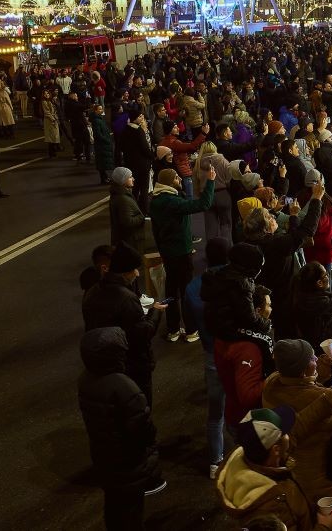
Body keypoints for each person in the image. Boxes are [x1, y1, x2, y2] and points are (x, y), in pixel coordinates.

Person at [262, 339, 332, 505]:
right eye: (312, 358)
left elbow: (299, 383)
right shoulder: (319, 400)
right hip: (322, 479)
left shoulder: (272, 383)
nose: (316, 358)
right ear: (303, 370)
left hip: (296, 472)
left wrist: (322, 366)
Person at [78, 327, 165, 531]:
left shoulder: (86, 379)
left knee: (114, 506)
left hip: (104, 457)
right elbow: (142, 429)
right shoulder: (124, 387)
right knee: (131, 511)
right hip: (128, 463)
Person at [216, 406, 332, 530]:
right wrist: (325, 527)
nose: (289, 435)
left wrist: (327, 402)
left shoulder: (251, 454)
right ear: (276, 449)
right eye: (284, 433)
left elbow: (297, 430)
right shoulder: (274, 506)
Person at [82, 242, 168, 405]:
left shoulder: (92, 292)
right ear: (124, 272)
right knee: (139, 405)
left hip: (102, 363)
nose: (137, 273)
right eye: (134, 269)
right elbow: (143, 333)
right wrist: (156, 312)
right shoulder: (126, 298)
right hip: (132, 365)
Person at [243, 183, 324, 338]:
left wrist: (289, 215)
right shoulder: (275, 244)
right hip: (284, 299)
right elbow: (306, 232)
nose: (273, 217)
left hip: (268, 295)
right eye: (270, 217)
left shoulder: (249, 241)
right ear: (266, 228)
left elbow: (292, 238)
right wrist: (316, 199)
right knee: (287, 333)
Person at [149, 165, 216, 341]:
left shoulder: (155, 201)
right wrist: (210, 182)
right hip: (181, 252)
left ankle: (173, 329)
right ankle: (191, 330)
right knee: (187, 291)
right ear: (170, 182)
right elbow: (203, 204)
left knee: (171, 291)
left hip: (167, 252)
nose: (180, 180)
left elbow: (155, 231)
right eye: (176, 178)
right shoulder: (173, 202)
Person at [183, 237, 232, 479]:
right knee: (244, 405)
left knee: (215, 414)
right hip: (237, 350)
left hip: (212, 353)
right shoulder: (235, 281)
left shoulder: (193, 287)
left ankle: (215, 461)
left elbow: (190, 325)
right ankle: (250, 457)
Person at [214, 284, 275, 428]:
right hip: (250, 421)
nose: (271, 309)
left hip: (233, 410)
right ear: (257, 311)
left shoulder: (227, 333)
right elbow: (248, 396)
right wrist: (276, 376)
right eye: (268, 305)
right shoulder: (249, 348)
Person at [118, 112, 154, 212]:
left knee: (135, 188)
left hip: (130, 163)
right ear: (134, 118)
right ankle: (145, 210)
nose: (142, 118)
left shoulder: (125, 129)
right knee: (144, 189)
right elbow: (145, 148)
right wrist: (152, 155)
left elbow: (120, 146)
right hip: (143, 164)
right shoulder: (138, 130)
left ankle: (133, 209)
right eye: (140, 116)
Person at [109, 167, 146, 253]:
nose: (133, 179)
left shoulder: (120, 195)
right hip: (131, 241)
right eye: (130, 177)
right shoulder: (123, 199)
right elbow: (128, 221)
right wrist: (141, 217)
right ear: (122, 180)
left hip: (128, 240)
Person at [90, 104, 115, 185]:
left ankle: (105, 178)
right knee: (102, 163)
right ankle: (104, 179)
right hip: (101, 145)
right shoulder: (96, 121)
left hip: (103, 144)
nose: (102, 110)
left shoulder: (100, 119)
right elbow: (98, 134)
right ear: (95, 111)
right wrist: (106, 140)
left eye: (102, 109)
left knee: (103, 163)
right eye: (100, 109)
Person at [42, 88, 62, 158]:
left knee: (54, 136)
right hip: (49, 121)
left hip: (54, 119)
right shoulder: (44, 102)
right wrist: (53, 119)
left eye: (47, 93)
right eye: (45, 94)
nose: (46, 95)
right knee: (51, 137)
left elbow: (56, 108)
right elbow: (47, 112)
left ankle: (54, 151)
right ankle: (51, 152)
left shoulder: (51, 100)